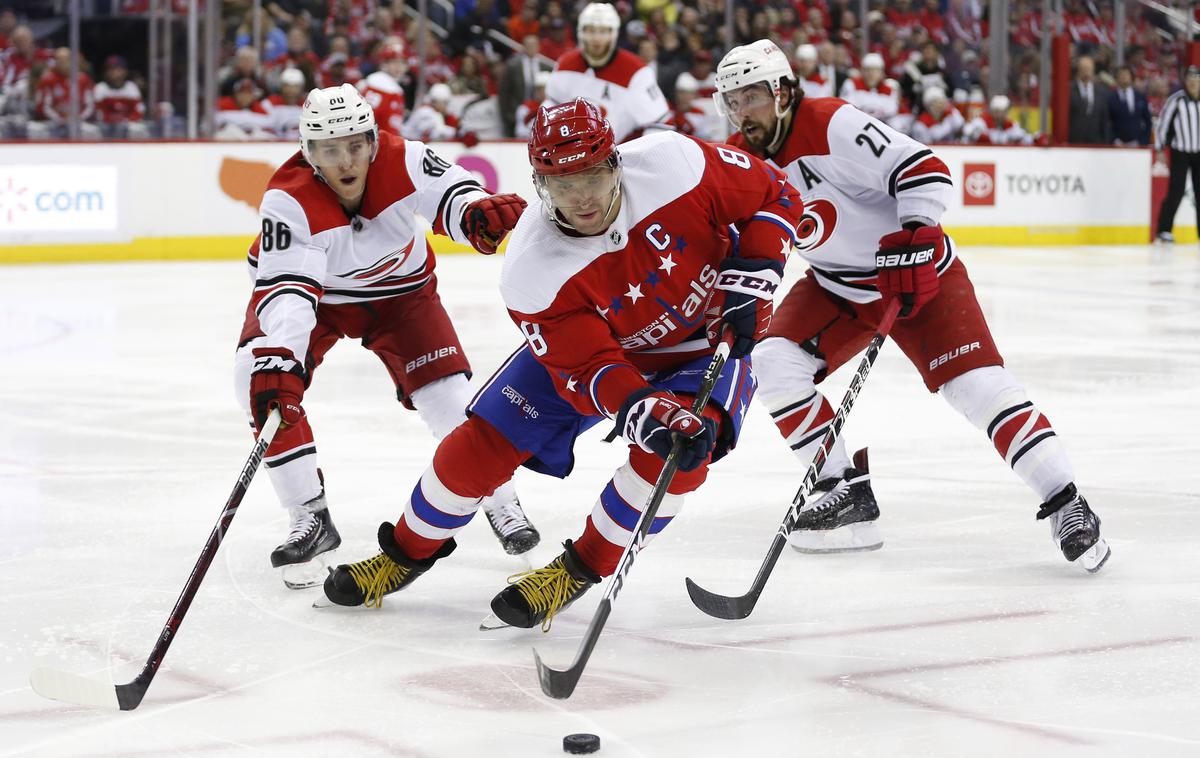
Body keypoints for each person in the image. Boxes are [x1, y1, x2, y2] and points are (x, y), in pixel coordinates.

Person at [320, 98, 804, 626]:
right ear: (539, 184)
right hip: (608, 357)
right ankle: (403, 555)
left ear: (616, 162)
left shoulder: (673, 163)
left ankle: (581, 567)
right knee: (478, 446)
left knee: (681, 458)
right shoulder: (532, 267)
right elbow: (592, 369)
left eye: (592, 176)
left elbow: (774, 193)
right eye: (561, 184)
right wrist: (641, 410)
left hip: (708, 340)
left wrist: (754, 273)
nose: (581, 199)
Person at [712, 40, 1109, 571]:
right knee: (774, 360)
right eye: (732, 102)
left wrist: (918, 232)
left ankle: (1066, 502)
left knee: (977, 390)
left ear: (782, 92)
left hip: (920, 277)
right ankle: (842, 493)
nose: (741, 112)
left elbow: (924, 166)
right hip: (839, 287)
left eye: (751, 97)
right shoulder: (742, 159)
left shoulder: (830, 123)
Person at [235, 84, 539, 588]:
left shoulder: (406, 159)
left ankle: (501, 502)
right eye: (330, 149)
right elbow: (288, 293)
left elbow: (454, 194)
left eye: (355, 144)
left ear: (374, 140)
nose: (346, 159)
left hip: (401, 298)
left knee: (449, 398)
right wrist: (282, 362)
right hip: (321, 299)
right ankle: (309, 515)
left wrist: (474, 217)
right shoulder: (287, 199)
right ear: (308, 153)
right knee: (256, 374)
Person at [542, 2, 670, 143]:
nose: (596, 39)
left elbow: (660, 124)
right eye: (591, 31)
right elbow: (550, 110)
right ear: (580, 32)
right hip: (573, 158)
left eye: (603, 31)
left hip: (620, 157)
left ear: (614, 33)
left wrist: (630, 156)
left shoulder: (636, 71)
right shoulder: (565, 64)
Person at [1153, 65, 1200, 244]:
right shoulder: (1177, 100)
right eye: (1190, 79)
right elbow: (1162, 124)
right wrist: (1159, 149)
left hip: (1199, 152)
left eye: (1196, 79)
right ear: (1185, 82)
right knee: (1176, 191)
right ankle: (1164, 230)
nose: (1193, 83)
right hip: (1180, 151)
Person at [1068, 55, 1110, 145]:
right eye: (1083, 69)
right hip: (1074, 141)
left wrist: (1105, 142)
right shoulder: (1069, 90)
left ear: (1093, 70)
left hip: (1095, 143)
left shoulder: (1102, 91)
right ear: (1078, 70)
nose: (1086, 72)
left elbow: (1104, 119)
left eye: (1088, 69)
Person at [1108, 64, 1151, 147]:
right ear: (1116, 78)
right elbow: (1107, 123)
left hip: (1137, 144)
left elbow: (1147, 121)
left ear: (1132, 77)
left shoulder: (1140, 97)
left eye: (1126, 74)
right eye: (1121, 75)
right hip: (1116, 145)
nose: (1124, 77)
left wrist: (1141, 142)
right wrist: (1114, 140)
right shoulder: (1110, 98)